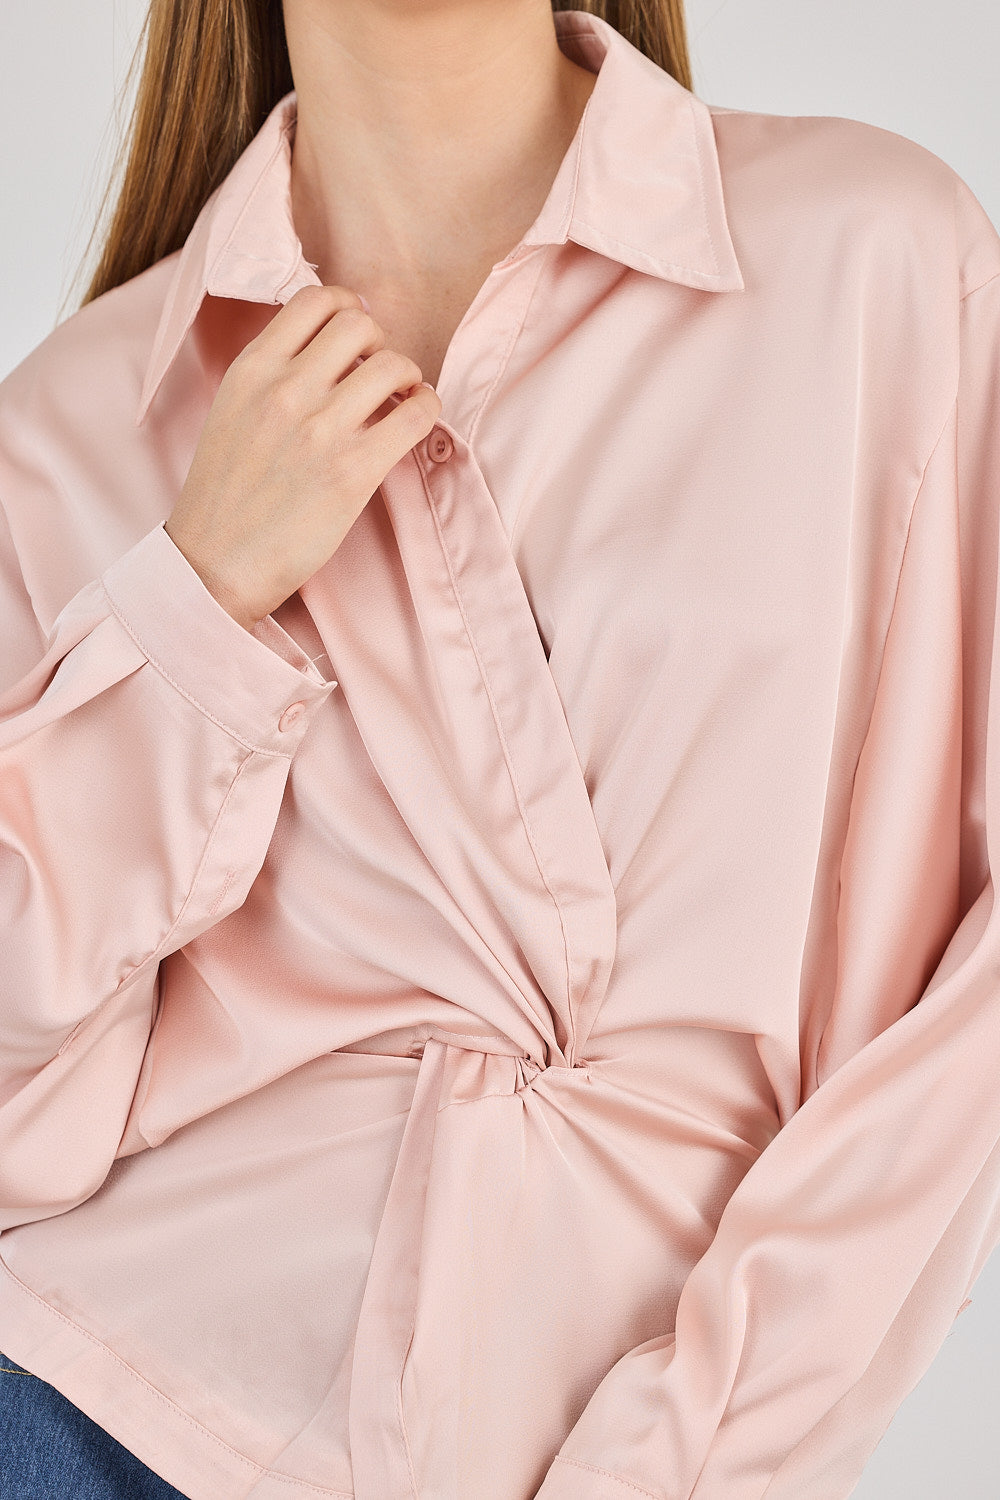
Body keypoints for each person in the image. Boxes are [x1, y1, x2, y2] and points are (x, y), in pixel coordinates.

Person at [1, 0, 999, 1497]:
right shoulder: (69, 428)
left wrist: (680, 1462)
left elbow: (966, 1022)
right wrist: (194, 607)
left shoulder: (879, 263)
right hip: (100, 1416)